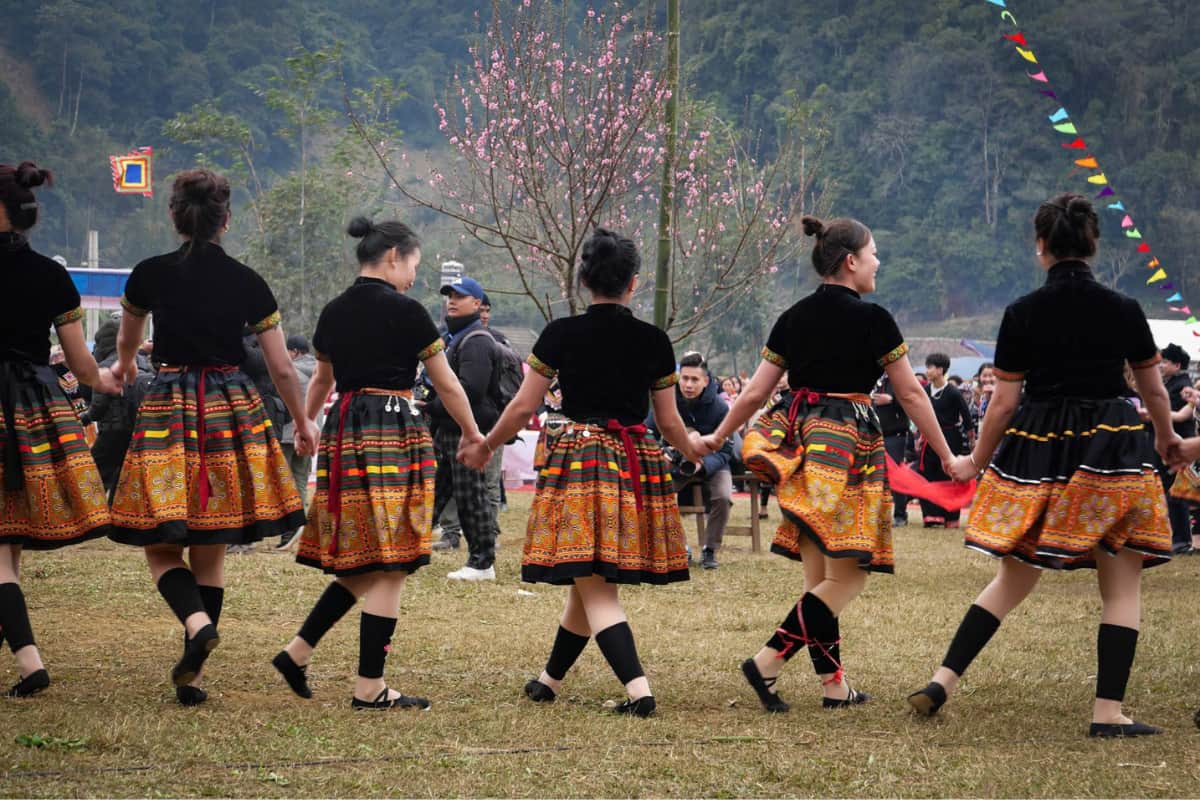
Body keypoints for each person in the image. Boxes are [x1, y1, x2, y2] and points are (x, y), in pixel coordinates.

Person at [907, 193, 1175, 738]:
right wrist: (1168, 439)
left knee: (1012, 577)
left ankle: (942, 681)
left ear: (1041, 247)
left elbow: (1003, 404)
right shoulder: (1123, 309)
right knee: (1120, 586)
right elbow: (1153, 393)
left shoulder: (1021, 312)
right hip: (1112, 447)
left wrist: (974, 462)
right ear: (1093, 244)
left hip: (1039, 448)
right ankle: (1107, 713)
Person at [697, 214, 955, 713]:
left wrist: (718, 436)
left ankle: (833, 685)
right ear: (851, 261)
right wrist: (946, 455)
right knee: (849, 574)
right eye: (874, 252)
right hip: (846, 445)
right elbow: (910, 393)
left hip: (800, 441)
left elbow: (754, 392)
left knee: (819, 575)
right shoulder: (874, 318)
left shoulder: (792, 316)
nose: (879, 261)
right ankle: (767, 660)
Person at [460, 228, 698, 718]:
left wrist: (486, 444)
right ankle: (548, 681)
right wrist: (696, 448)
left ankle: (639, 693)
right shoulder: (654, 340)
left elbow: (524, 406)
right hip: (633, 464)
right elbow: (670, 422)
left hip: (581, 460)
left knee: (596, 586)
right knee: (587, 581)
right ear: (633, 283)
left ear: (584, 279)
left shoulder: (560, 334)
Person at [108, 168, 317, 706]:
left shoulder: (149, 273)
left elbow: (129, 341)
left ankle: (196, 623)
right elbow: (282, 369)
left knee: (159, 545)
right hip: (230, 410)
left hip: (172, 406)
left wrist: (127, 367)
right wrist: (305, 420)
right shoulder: (248, 281)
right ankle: (194, 676)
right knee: (212, 544)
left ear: (174, 216)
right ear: (227, 219)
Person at [274, 217, 483, 710]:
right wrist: (474, 433)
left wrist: (306, 424)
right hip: (392, 428)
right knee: (391, 564)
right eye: (413, 263)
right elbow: (448, 385)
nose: (414, 274)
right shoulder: (409, 313)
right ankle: (370, 687)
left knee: (370, 558)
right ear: (393, 256)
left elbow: (321, 384)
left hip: (347, 428)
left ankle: (297, 652)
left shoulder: (332, 311)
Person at [0, 161, 120, 697]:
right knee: (8, 538)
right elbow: (81, 364)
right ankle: (25, 660)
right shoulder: (52, 274)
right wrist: (111, 379)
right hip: (31, 408)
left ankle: (30, 663)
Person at [424, 276, 502, 581]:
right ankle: (405, 551)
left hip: (466, 432)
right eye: (449, 295)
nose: (452, 301)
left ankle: (482, 562)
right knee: (433, 492)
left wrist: (430, 406)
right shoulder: (452, 337)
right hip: (447, 429)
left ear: (478, 304)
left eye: (460, 296)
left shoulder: (478, 340)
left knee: (471, 496)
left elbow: (471, 390)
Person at [647, 351, 734, 570]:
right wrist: (662, 451)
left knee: (723, 496)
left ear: (706, 381)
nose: (688, 384)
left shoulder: (720, 408)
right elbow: (647, 431)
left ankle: (710, 549)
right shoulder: (666, 400)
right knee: (659, 492)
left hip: (713, 464)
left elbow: (726, 450)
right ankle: (680, 546)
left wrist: (702, 464)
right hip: (677, 465)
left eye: (694, 379)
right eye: (684, 378)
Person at [82, 315, 154, 495]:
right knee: (124, 477)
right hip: (137, 430)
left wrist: (84, 417)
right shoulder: (142, 362)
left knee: (94, 476)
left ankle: (92, 515)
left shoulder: (105, 367)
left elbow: (99, 408)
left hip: (113, 432)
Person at [916, 353, 975, 527]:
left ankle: (950, 516)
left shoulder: (953, 392)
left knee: (949, 475)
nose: (927, 371)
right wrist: (920, 435)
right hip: (929, 438)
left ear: (940, 370)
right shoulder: (924, 391)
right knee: (928, 475)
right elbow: (920, 415)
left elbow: (967, 418)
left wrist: (972, 441)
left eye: (930, 367)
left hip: (951, 438)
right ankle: (932, 516)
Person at [275, 334, 319, 550]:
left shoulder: (291, 373)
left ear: (294, 352)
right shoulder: (318, 371)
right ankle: (301, 522)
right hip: (310, 433)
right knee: (301, 479)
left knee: (285, 481)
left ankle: (290, 528)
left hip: (287, 433)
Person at [1158, 343, 1195, 553]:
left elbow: (1181, 415)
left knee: (1176, 493)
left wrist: (1150, 413)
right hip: (1175, 445)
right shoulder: (1173, 382)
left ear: (1177, 364)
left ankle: (1181, 540)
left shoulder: (1182, 386)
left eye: (1165, 362)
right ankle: (1179, 539)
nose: (1161, 365)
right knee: (1173, 492)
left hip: (1184, 446)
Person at [872, 373, 911, 527]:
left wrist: (892, 400)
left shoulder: (899, 378)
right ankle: (877, 513)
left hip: (895, 435)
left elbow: (910, 400)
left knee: (896, 475)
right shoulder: (873, 381)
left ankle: (900, 515)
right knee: (874, 475)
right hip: (874, 433)